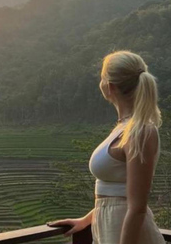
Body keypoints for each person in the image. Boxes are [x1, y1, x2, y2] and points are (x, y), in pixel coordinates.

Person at [46, 50, 165, 244]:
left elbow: (136, 207)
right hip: (110, 227)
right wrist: (87, 219)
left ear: (109, 86)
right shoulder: (124, 127)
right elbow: (114, 194)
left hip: (128, 234)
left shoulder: (141, 130)